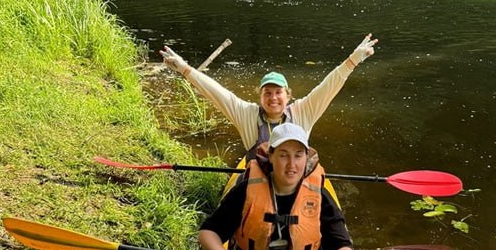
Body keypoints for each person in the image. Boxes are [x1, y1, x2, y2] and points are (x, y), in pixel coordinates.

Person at [197, 123, 355, 250]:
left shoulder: (318, 195)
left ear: (306, 158)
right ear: (270, 156)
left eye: (298, 155)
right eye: (283, 155)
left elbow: (341, 244)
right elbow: (208, 232)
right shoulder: (246, 190)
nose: (291, 164)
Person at [160, 34, 377, 159]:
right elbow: (217, 92)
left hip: (295, 182)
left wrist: (353, 60)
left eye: (278, 92)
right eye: (267, 93)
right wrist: (185, 69)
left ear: (288, 95)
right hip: (258, 184)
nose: (273, 98)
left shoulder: (304, 111)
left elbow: (329, 85)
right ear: (260, 97)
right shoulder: (247, 114)